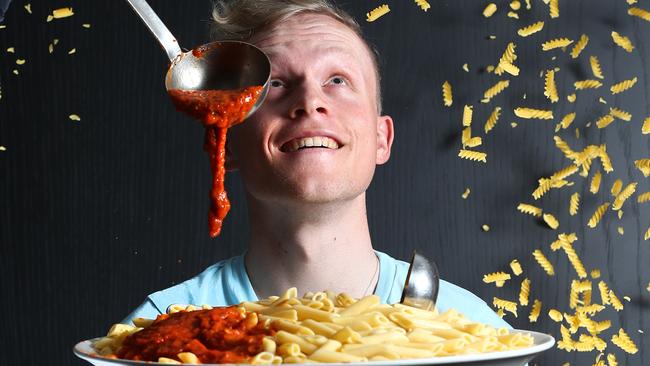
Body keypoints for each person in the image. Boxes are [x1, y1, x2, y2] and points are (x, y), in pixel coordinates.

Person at [121, 0, 509, 330]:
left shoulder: (474, 332)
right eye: (274, 84)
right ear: (227, 146)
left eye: (337, 80)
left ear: (381, 139)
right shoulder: (157, 333)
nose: (309, 101)